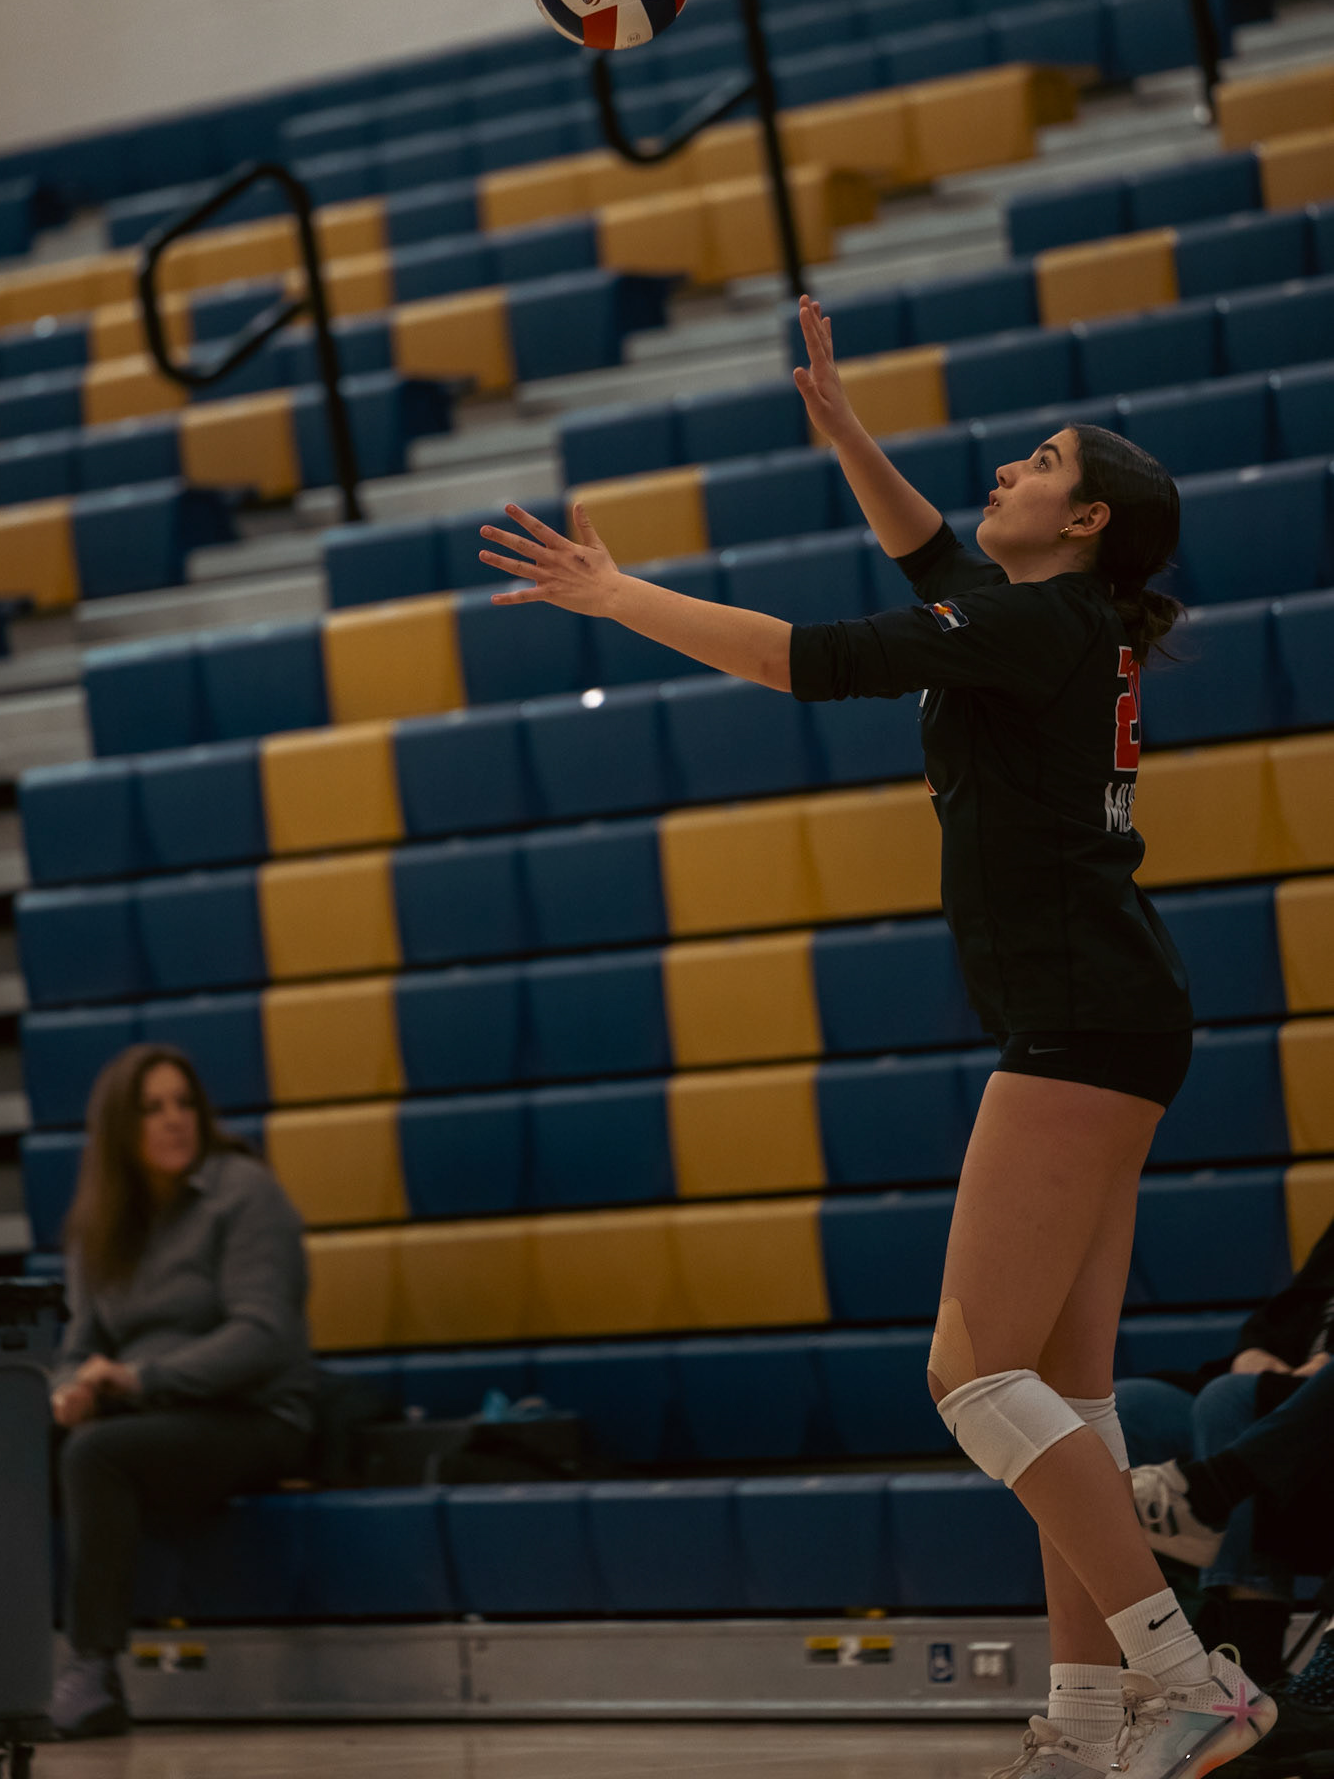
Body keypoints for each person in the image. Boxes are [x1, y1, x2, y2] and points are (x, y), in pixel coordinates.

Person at [478, 296, 1278, 1779]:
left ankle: (1190, 1682)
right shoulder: (1051, 617)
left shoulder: (1032, 622)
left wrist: (616, 593)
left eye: (1042, 462)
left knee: (972, 1379)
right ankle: (1087, 1725)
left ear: (1087, 520)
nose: (1008, 469)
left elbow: (809, 658)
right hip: (1114, 1009)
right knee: (1067, 1398)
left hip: (1080, 1018)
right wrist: (849, 434)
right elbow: (930, 557)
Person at [48, 1044, 317, 1740]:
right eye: (151, 1109)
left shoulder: (244, 1191)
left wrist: (140, 1379)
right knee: (7, 1445)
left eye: (183, 1103)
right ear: (119, 1129)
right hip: (148, 1413)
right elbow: (78, 1346)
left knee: (97, 1455)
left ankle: (92, 1669)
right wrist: (67, 1392)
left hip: (253, 1415)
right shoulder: (101, 1222)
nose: (173, 1120)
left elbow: (262, 1335)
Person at [1117, 1213, 1334, 1687]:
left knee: (1229, 1401)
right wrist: (1252, 1351)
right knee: (1125, 1410)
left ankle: (1249, 1665)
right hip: (1287, 1387)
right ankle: (1164, 1648)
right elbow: (1291, 1306)